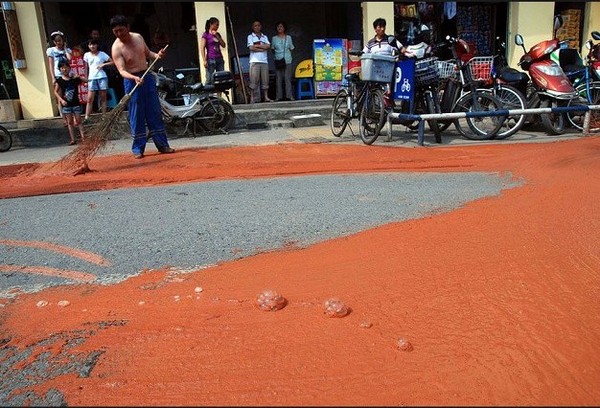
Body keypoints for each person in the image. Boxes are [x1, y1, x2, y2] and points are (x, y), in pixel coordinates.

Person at [109, 14, 174, 159]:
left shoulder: (138, 37)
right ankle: (138, 149)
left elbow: (148, 54)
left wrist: (158, 54)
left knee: (154, 111)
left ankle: (162, 145)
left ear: (128, 27)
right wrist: (134, 78)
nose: (119, 34)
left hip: (147, 77)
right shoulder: (116, 48)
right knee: (136, 114)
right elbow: (122, 71)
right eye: (116, 32)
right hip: (132, 81)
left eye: (121, 30)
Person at [362, 18, 415, 108]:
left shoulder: (390, 40)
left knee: (390, 90)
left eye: (383, 26)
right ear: (375, 29)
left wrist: (409, 53)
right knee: (370, 88)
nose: (382, 29)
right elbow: (363, 53)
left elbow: (401, 48)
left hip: (387, 70)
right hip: (375, 71)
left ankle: (389, 104)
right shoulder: (370, 43)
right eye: (380, 26)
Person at [53, 59, 87, 145]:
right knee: (70, 122)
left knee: (79, 120)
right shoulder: (59, 81)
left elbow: (86, 81)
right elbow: (55, 92)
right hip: (66, 105)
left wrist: (78, 76)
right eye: (62, 68)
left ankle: (83, 138)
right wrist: (61, 100)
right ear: (60, 69)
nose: (64, 69)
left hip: (76, 103)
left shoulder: (74, 79)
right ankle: (73, 139)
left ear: (69, 68)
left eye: (66, 67)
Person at [83, 38, 114, 121]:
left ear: (97, 45)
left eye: (94, 44)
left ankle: (104, 115)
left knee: (103, 97)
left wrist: (103, 65)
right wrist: (86, 79)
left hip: (102, 77)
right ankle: (87, 117)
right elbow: (85, 68)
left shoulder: (102, 54)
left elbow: (113, 62)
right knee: (90, 98)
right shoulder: (86, 55)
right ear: (88, 46)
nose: (92, 46)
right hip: (91, 78)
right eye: (90, 44)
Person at [46, 30, 72, 116]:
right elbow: (51, 64)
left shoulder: (67, 50)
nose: (58, 42)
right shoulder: (51, 50)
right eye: (56, 41)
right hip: (58, 75)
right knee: (59, 95)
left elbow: (69, 59)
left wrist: (65, 48)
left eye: (60, 40)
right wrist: (53, 77)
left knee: (69, 93)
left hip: (67, 74)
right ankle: (62, 114)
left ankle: (70, 112)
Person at [247, 20, 273, 103]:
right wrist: (262, 47)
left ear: (261, 26)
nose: (257, 27)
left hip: (264, 61)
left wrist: (257, 46)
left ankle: (266, 97)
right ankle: (252, 98)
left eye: (258, 25)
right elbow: (251, 48)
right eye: (255, 26)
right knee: (253, 80)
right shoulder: (250, 36)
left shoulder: (264, 37)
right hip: (254, 61)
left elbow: (268, 46)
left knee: (265, 80)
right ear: (253, 27)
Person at [271, 21, 295, 101]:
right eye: (278, 26)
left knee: (288, 79)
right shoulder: (274, 38)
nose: (279, 28)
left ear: (284, 28)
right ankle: (278, 97)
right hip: (278, 60)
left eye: (281, 26)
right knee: (278, 79)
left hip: (287, 60)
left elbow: (291, 48)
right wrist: (278, 56)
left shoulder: (289, 38)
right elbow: (272, 49)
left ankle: (289, 96)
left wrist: (286, 56)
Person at [200, 17, 226, 85]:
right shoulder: (205, 34)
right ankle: (208, 94)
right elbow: (202, 47)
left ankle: (219, 94)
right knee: (209, 79)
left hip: (219, 59)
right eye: (216, 24)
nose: (217, 26)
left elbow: (223, 45)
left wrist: (217, 36)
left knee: (220, 79)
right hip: (210, 59)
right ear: (211, 24)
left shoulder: (218, 34)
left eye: (218, 25)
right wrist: (204, 60)